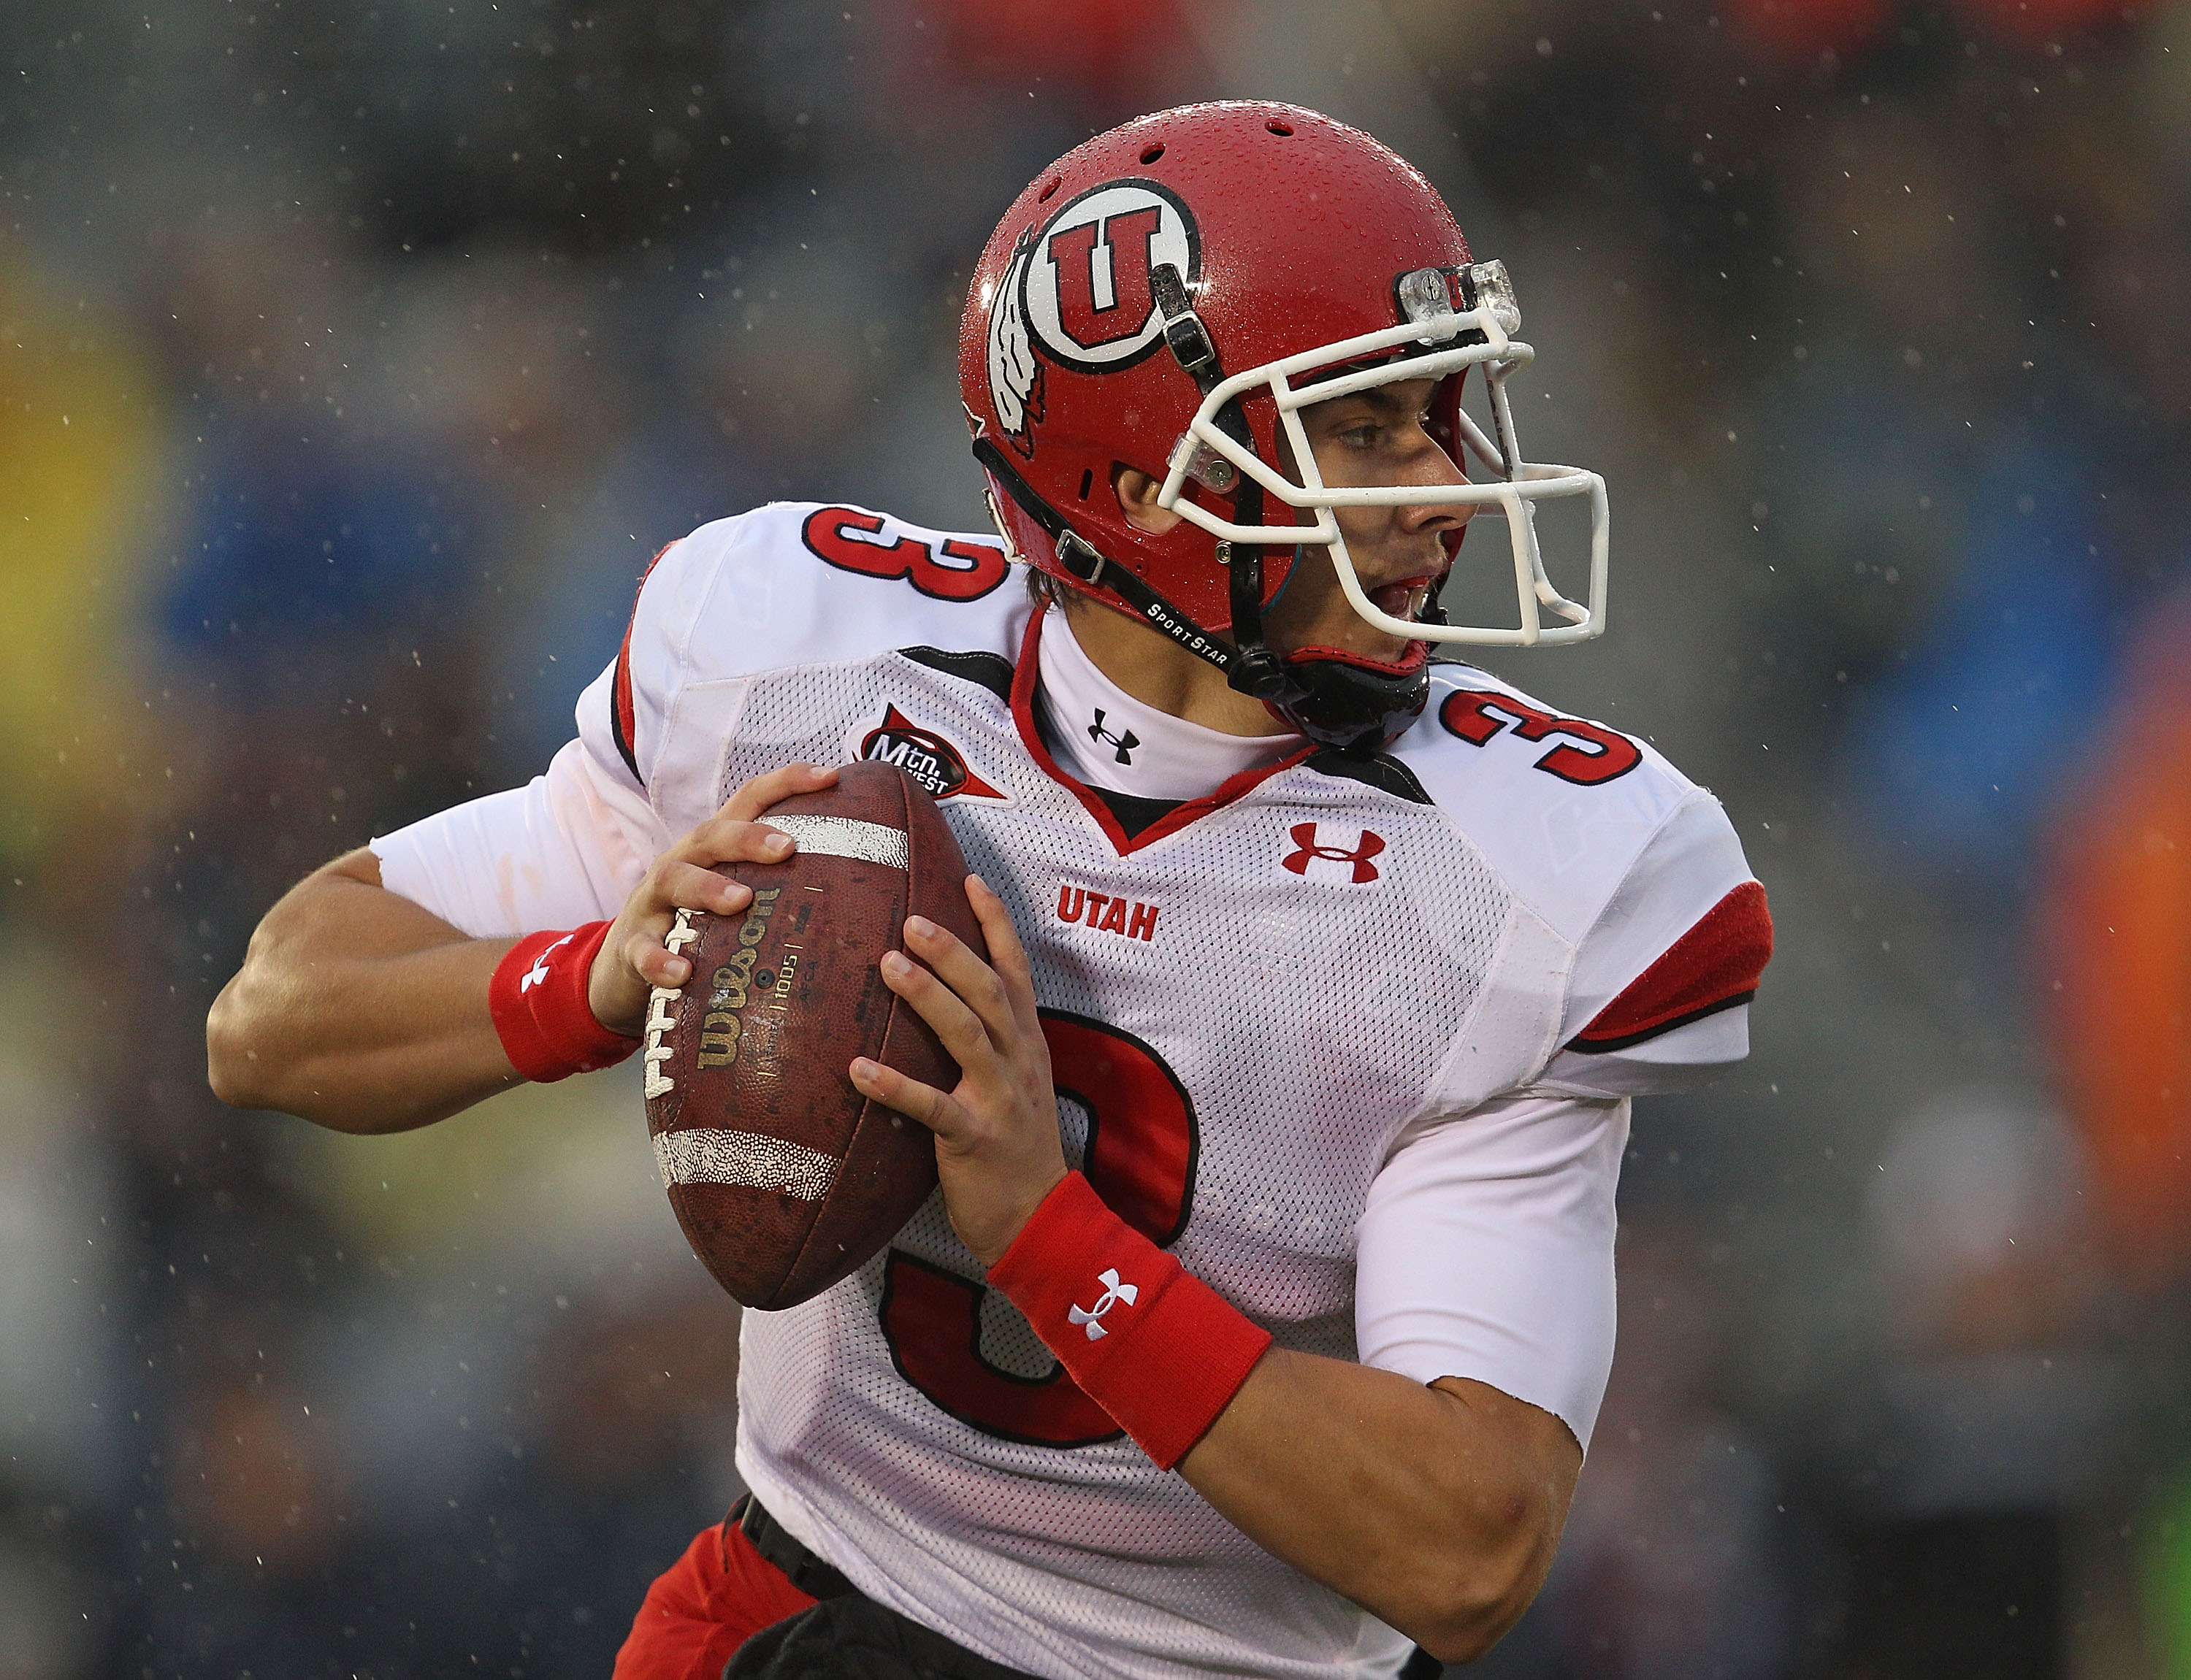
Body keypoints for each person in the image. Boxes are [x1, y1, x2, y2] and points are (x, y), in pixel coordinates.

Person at [208, 101, 1773, 1680]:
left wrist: (1046, 1234)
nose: (1443, 490)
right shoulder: (800, 658)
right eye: (1368, 431)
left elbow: (1470, 1545)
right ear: (1153, 479)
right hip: (828, 1612)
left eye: (1443, 414)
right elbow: (270, 1014)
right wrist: (595, 975)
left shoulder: (1531, 864)